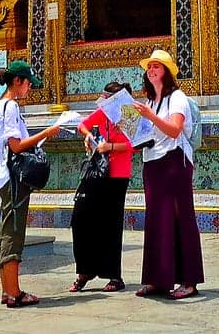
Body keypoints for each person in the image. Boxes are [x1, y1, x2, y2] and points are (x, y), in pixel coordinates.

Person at [0, 60, 67, 308]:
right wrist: (47, 132)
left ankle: (7, 289)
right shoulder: (10, 107)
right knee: (14, 231)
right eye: (28, 84)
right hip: (13, 178)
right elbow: (16, 146)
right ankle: (14, 292)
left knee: (6, 228)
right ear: (18, 81)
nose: (29, 89)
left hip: (2, 175)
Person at [135, 49, 204, 302]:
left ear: (166, 72)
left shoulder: (177, 98)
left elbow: (175, 130)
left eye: (157, 66)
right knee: (156, 220)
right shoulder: (150, 102)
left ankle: (189, 280)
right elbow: (146, 135)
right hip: (153, 163)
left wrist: (149, 116)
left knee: (180, 217)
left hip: (174, 161)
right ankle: (158, 279)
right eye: (149, 67)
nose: (152, 70)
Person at [69, 81, 134, 293]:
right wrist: (88, 136)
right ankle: (85, 269)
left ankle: (114, 275)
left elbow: (136, 144)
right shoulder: (103, 113)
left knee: (111, 223)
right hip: (97, 171)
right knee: (82, 217)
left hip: (118, 172)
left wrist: (111, 146)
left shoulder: (128, 114)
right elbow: (82, 124)